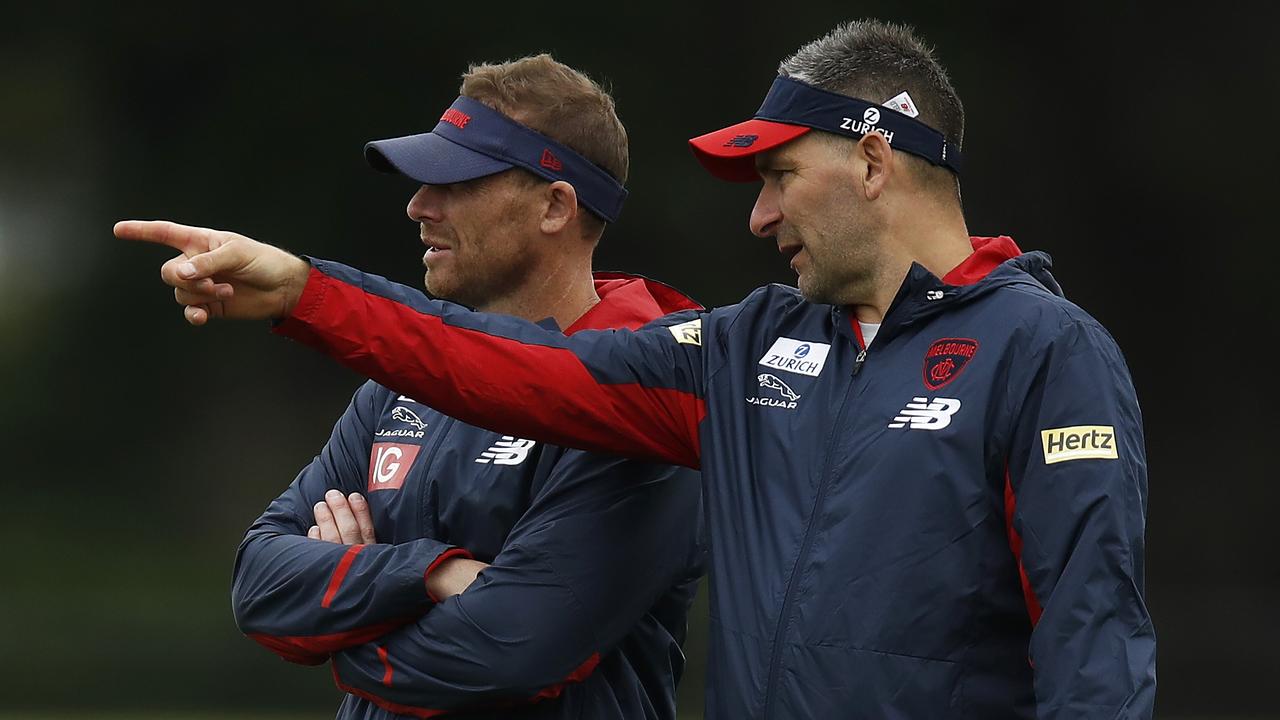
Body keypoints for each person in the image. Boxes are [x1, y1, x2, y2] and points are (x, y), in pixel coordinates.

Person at [119, 20, 1155, 719]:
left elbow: (1090, 639)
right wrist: (306, 292)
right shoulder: (748, 347)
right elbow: (507, 367)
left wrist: (346, 616)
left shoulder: (1043, 351)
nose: (756, 216)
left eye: (778, 176)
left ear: (873, 161)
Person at [198, 55, 705, 719]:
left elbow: (512, 648)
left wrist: (349, 620)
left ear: (555, 206)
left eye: (457, 181)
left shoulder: (648, 402)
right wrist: (431, 573)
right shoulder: (399, 387)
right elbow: (259, 586)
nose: (418, 206)